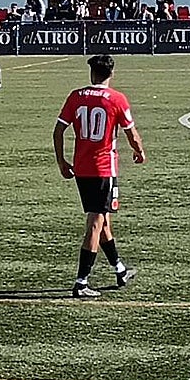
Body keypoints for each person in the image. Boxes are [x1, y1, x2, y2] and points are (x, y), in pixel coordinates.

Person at [54, 54, 147, 299]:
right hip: (104, 168)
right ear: (111, 74)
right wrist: (139, 151)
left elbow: (59, 129)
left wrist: (62, 161)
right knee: (96, 222)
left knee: (103, 219)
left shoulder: (76, 96)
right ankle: (81, 282)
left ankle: (120, 270)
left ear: (91, 73)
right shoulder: (116, 99)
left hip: (82, 168)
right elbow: (131, 132)